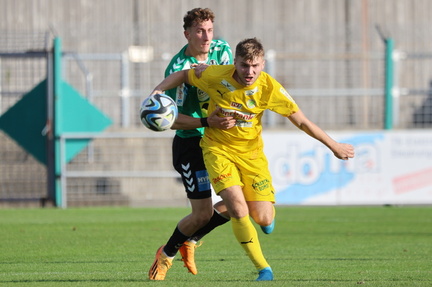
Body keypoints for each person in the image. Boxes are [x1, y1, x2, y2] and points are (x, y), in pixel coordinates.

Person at [146, 37, 355, 281]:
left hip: (251, 156)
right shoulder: (216, 75)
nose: (249, 71)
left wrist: (334, 145)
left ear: (263, 64)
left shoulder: (269, 88)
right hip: (217, 149)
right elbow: (183, 75)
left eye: (255, 66)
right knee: (236, 208)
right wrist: (158, 91)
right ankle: (263, 269)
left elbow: (302, 121)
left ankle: (194, 238)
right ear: (235, 63)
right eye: (244, 65)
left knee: (263, 217)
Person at [148, 8, 236, 281]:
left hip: (221, 139)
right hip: (191, 144)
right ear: (187, 34)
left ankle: (191, 240)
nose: (206, 36)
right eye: (200, 31)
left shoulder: (222, 50)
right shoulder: (176, 68)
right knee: (201, 214)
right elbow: (170, 120)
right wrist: (206, 122)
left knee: (243, 203)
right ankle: (166, 254)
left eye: (209, 30)